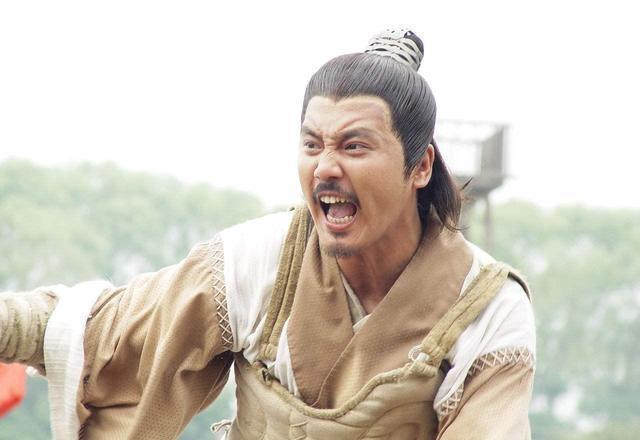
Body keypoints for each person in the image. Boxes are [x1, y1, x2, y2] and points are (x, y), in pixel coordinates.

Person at [0, 29, 536, 439]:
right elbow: (110, 332)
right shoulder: (259, 259)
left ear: (420, 166)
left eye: (354, 146)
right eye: (312, 144)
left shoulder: (489, 308)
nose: (325, 167)